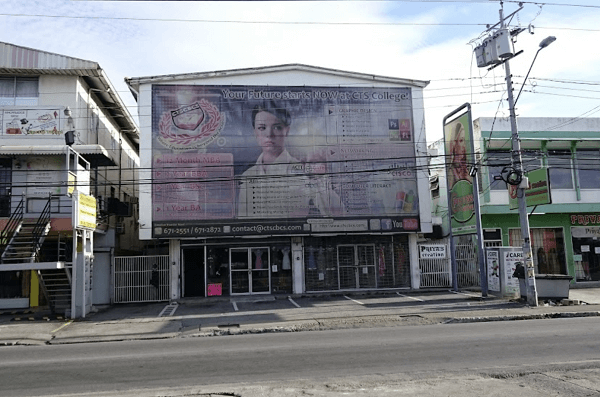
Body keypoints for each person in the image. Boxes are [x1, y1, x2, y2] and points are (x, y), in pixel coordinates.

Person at [237, 102, 344, 218]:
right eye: (262, 128)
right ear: (255, 133)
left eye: (277, 127)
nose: (269, 134)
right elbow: (243, 222)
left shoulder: (305, 172)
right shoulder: (247, 176)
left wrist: (318, 180)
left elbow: (338, 213)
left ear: (286, 131)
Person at [447, 121, 472, 188]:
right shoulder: (452, 173)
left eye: (464, 140)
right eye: (461, 140)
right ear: (454, 144)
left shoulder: (466, 169)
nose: (464, 145)